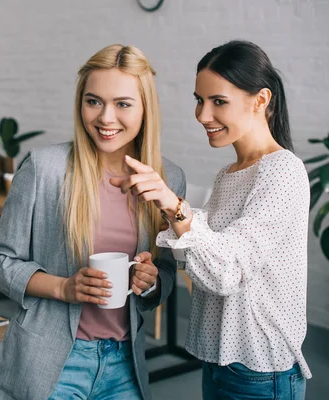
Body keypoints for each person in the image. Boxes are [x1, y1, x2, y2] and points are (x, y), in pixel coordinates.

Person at [0, 44, 186, 400]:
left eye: (122, 104)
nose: (106, 118)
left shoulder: (167, 180)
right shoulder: (45, 168)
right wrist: (62, 288)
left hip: (126, 364)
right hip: (50, 363)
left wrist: (150, 282)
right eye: (94, 101)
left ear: (145, 108)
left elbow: (165, 275)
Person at [116, 40, 310, 400]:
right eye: (199, 100)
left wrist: (177, 208)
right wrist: (174, 221)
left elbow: (227, 271)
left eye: (218, 101)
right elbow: (213, 253)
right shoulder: (230, 173)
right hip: (222, 362)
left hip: (259, 371)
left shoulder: (283, 171)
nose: (203, 115)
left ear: (261, 100)